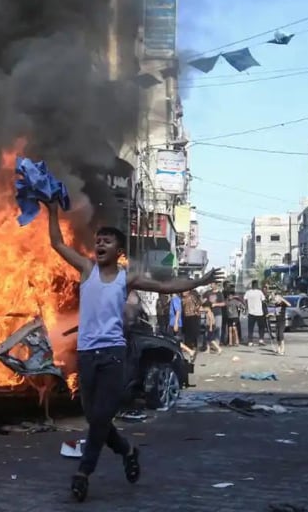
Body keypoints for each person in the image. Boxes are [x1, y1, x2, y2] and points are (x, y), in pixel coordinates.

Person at [43, 201, 218, 502]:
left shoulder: (127, 278)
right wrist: (52, 210)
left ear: (118, 251)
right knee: (95, 417)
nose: (99, 244)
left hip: (112, 355)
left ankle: (83, 473)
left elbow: (166, 286)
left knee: (100, 418)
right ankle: (127, 450)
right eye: (98, 241)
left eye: (106, 241)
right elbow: (57, 243)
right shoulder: (86, 269)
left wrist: (199, 281)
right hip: (86, 355)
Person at [243, 280, 267, 346]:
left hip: (251, 312)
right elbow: (263, 301)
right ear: (256, 285)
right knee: (261, 327)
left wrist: (247, 306)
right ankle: (261, 340)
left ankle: (250, 341)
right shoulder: (260, 292)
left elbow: (244, 300)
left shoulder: (248, 292)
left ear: (252, 285)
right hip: (259, 312)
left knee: (250, 328)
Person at [268, 288, 289, 355]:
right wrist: (270, 314)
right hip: (277, 321)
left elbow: (289, 304)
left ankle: (283, 349)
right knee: (277, 335)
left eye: (277, 298)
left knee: (280, 335)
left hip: (282, 321)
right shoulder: (276, 305)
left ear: (280, 298)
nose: (275, 300)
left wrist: (283, 299)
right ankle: (279, 348)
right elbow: (276, 313)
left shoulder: (283, 304)